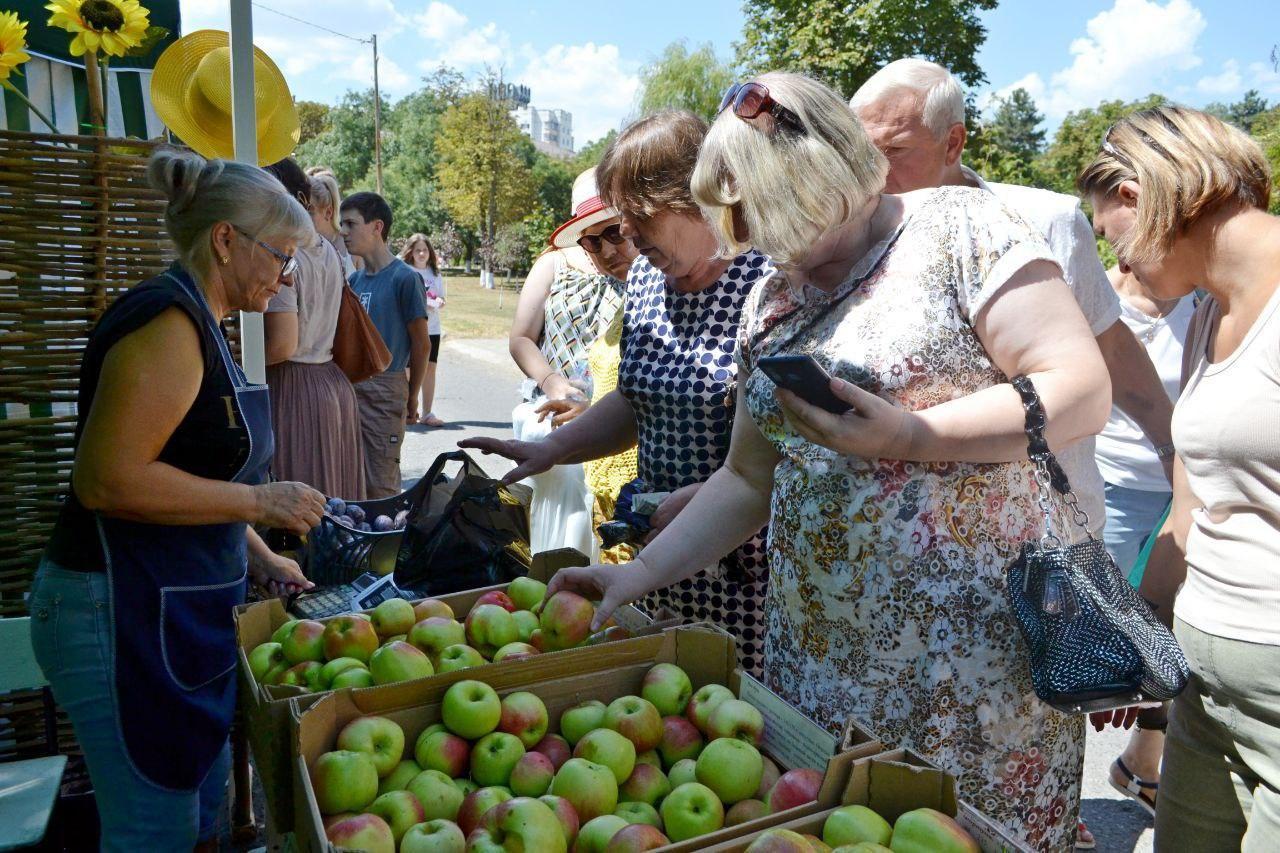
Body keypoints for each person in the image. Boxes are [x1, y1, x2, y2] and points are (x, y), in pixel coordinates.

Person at [546, 74, 1112, 851]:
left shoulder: (961, 227)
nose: (769, 249)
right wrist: (637, 574)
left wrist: (913, 435)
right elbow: (748, 477)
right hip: (821, 667)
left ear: (835, 172)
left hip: (970, 672)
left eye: (777, 220)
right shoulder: (773, 298)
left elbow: (1078, 389)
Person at [28, 149, 324, 850]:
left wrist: (260, 554)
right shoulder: (165, 325)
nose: (286, 275)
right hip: (115, 612)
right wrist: (259, 505)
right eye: (280, 255)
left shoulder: (205, 321)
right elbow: (108, 480)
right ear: (225, 240)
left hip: (170, 612)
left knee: (200, 820)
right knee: (153, 831)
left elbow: (188, 473)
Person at [465, 111, 777, 677]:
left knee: (734, 705)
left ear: (695, 198)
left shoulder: (770, 281)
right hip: (655, 555)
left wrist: (705, 496)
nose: (627, 237)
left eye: (636, 218)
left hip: (748, 565)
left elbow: (794, 449)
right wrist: (551, 451)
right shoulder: (646, 281)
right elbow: (636, 398)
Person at [850, 58, 1175, 537]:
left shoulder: (1044, 221)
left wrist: (1174, 454)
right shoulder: (858, 239)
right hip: (912, 541)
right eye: (863, 154)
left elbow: (1111, 347)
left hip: (1048, 538)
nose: (875, 174)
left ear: (953, 142)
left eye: (894, 150)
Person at [1082, 106, 1280, 852]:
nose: (1122, 269)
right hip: (1204, 698)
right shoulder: (1206, 316)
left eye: (1115, 243)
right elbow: (1190, 508)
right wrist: (1134, 638)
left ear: (1138, 195)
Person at [262, 157, 366, 500]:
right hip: (330, 383)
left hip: (295, 389)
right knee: (333, 509)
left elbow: (281, 345)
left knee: (299, 518)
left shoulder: (286, 255)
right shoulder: (327, 250)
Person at [340, 191, 430, 498]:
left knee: (380, 483)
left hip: (386, 387)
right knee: (351, 480)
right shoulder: (354, 282)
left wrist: (412, 396)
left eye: (351, 224)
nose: (344, 231)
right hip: (351, 388)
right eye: (342, 224)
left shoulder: (405, 279)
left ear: (377, 227)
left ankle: (387, 544)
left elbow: (421, 346)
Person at [398, 233, 447, 427]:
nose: (421, 253)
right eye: (417, 249)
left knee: (429, 370)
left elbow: (442, 298)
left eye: (425, 250)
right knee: (408, 371)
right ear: (410, 251)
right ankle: (406, 409)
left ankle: (427, 413)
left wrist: (439, 302)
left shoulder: (435, 273)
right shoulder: (405, 270)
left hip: (432, 329)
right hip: (410, 328)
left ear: (430, 252)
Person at [305, 167, 357, 277]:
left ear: (328, 212)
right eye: (300, 208)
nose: (303, 216)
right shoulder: (298, 247)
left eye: (309, 210)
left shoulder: (353, 246)